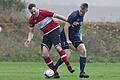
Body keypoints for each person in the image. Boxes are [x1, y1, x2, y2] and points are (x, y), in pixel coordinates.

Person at [24, 3, 75, 78]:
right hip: (46, 35)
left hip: (55, 30)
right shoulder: (31, 19)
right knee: (44, 54)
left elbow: (57, 16)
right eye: (32, 12)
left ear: (36, 8)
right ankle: (56, 73)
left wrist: (69, 21)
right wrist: (28, 40)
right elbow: (31, 32)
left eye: (34, 11)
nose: (34, 13)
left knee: (58, 47)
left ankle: (69, 66)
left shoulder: (44, 12)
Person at [55, 3, 89, 78]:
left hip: (75, 36)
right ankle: (54, 69)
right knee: (66, 55)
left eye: (83, 11)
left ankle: (82, 73)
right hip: (65, 36)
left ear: (86, 10)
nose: (82, 12)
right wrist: (67, 40)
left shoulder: (82, 16)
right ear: (80, 8)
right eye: (81, 10)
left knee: (83, 50)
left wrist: (80, 38)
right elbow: (66, 26)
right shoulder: (74, 15)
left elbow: (79, 28)